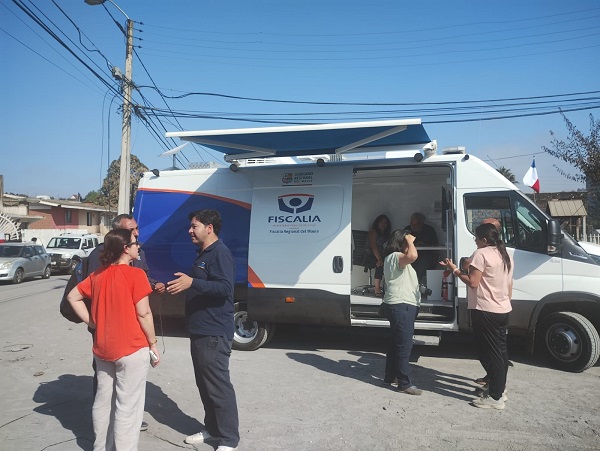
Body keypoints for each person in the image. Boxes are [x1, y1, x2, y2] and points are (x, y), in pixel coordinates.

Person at [67, 228, 160, 450]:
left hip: (103, 349)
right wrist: (153, 343)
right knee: (128, 408)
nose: (139, 246)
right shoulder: (136, 274)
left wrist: (92, 321)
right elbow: (144, 313)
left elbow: (73, 296)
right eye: (136, 242)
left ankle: (101, 448)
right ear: (126, 249)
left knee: (103, 402)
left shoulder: (98, 275)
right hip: (132, 348)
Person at [167, 209, 239, 451]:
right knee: (205, 385)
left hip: (214, 332)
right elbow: (206, 285)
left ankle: (229, 439)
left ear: (209, 228)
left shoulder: (220, 253)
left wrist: (192, 282)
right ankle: (213, 429)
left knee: (218, 386)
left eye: (194, 226)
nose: (190, 230)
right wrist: (187, 284)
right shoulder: (204, 253)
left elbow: (224, 289)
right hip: (200, 330)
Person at [87, 214, 165, 432]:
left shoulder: (139, 254)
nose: (137, 235)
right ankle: (114, 428)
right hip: (107, 331)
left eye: (137, 229)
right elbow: (89, 290)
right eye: (132, 231)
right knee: (106, 389)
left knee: (123, 389)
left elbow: (142, 278)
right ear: (118, 237)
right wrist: (93, 321)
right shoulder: (98, 257)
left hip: (129, 331)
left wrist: (152, 284)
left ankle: (116, 429)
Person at [439, 222, 514, 410]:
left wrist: (456, 270)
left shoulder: (481, 254)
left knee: (491, 353)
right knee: (501, 352)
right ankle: (499, 389)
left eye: (476, 238)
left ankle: (496, 397)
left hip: (485, 309)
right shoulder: (505, 254)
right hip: (503, 308)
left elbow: (473, 282)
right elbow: (509, 285)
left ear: (484, 240)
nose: (475, 241)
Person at [380, 229, 423, 395]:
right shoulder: (395, 256)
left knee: (395, 343)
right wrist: (409, 240)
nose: (412, 246)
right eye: (409, 243)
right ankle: (404, 383)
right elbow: (413, 256)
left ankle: (390, 376)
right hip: (402, 305)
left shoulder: (394, 259)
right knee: (404, 345)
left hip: (400, 305)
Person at [404, 212, 438, 282]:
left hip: (425, 255)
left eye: (416, 224)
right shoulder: (407, 229)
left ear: (422, 223)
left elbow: (435, 245)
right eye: (412, 224)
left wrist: (424, 244)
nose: (414, 226)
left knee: (423, 264)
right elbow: (402, 243)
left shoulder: (429, 230)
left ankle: (419, 283)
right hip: (410, 255)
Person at [367, 214, 391, 296]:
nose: (383, 224)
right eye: (381, 222)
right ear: (377, 223)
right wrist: (380, 259)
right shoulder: (373, 232)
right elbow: (373, 246)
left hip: (381, 255)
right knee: (380, 264)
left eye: (385, 222)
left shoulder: (386, 235)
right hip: (370, 255)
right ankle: (377, 289)